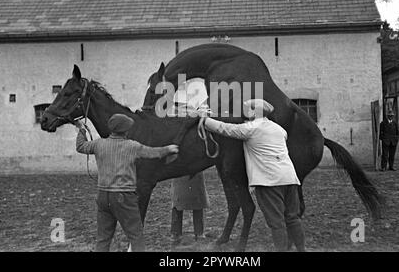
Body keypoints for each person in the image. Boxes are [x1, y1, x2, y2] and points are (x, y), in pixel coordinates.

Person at [200, 99, 305, 252]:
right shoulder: (279, 129)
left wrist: (204, 119)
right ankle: (302, 250)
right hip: (290, 178)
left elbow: (224, 128)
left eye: (247, 109)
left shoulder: (252, 128)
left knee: (276, 222)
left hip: (269, 181)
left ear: (254, 112)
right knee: (293, 218)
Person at [75, 113, 179, 252]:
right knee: (136, 236)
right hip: (124, 197)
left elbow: (81, 146)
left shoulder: (99, 144)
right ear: (125, 130)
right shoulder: (132, 146)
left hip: (102, 196)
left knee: (103, 238)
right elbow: (153, 153)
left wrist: (81, 129)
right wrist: (169, 149)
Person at [170, 172, 209, 247]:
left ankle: (199, 232)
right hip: (179, 170)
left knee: (198, 200)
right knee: (178, 201)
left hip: (196, 171)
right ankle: (176, 233)